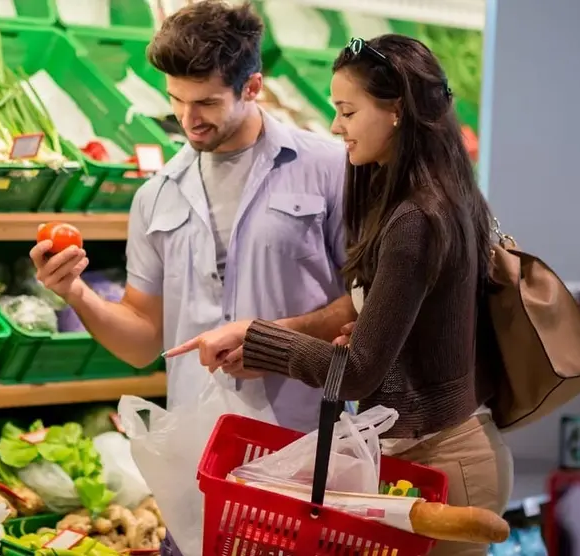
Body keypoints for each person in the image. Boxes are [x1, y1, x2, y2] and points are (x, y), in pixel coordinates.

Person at [167, 35, 513, 556]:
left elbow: (357, 373)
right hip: (426, 453)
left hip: (446, 464)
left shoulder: (415, 217)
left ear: (396, 111)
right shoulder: (435, 194)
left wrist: (260, 340)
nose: (335, 127)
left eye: (347, 111)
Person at [30, 0, 354, 435]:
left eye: (206, 102)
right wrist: (75, 292)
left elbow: (365, 301)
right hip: (199, 443)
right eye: (175, 100)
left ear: (252, 87)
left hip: (306, 436)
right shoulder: (157, 195)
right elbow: (143, 340)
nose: (188, 119)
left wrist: (273, 344)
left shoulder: (330, 168)